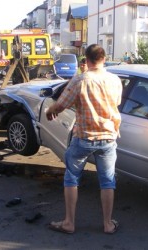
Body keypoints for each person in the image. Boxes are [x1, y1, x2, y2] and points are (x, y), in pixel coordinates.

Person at [46, 44, 123, 234]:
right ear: (104, 59)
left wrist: (50, 111)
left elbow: (61, 104)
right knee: (107, 181)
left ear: (86, 60)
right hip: (108, 138)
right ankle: (107, 224)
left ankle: (69, 223)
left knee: (71, 177)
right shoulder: (115, 80)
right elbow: (117, 103)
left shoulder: (80, 80)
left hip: (84, 138)